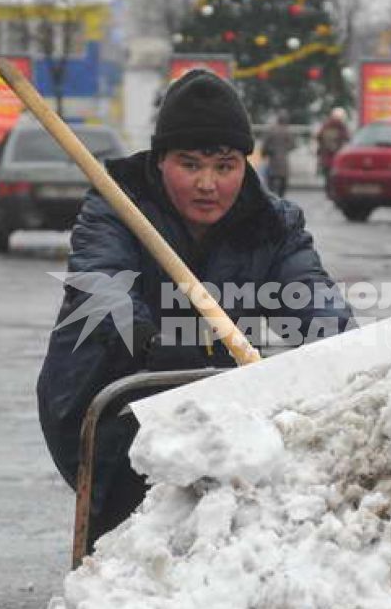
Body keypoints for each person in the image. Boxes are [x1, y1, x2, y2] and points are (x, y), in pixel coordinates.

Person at [38, 67, 353, 533]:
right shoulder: (115, 207)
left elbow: (309, 296)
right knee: (132, 544)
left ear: (246, 165)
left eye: (225, 167)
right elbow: (103, 288)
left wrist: (346, 352)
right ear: (161, 159)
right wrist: (150, 342)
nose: (208, 184)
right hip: (109, 404)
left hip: (218, 402)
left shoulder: (272, 224)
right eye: (191, 165)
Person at [258, 110, 294, 197]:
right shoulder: (288, 132)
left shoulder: (271, 130)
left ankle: (272, 200)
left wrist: (265, 154)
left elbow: (264, 146)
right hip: (283, 163)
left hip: (272, 162)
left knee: (271, 184)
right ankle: (281, 200)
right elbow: (292, 145)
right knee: (283, 185)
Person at [316, 106, 351, 191]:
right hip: (337, 157)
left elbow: (319, 137)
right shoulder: (342, 127)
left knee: (327, 176)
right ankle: (334, 191)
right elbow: (347, 138)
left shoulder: (326, 126)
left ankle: (328, 191)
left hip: (326, 157)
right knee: (335, 176)